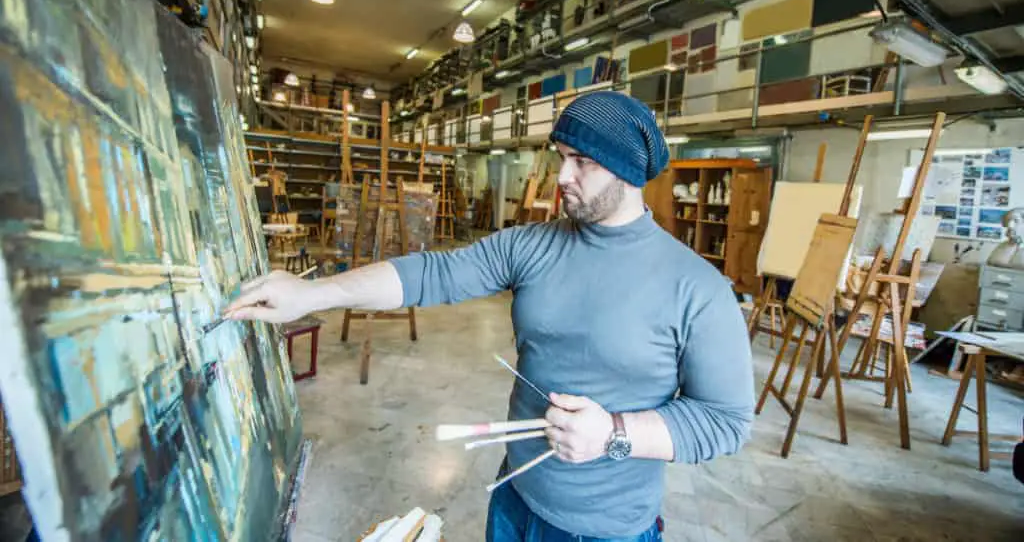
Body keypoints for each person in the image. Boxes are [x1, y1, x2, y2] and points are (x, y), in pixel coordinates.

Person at [226, 91, 755, 541]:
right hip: (513, 497)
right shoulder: (533, 245)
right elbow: (429, 275)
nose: (562, 176)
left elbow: (726, 422)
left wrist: (614, 432)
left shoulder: (697, 287)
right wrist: (311, 294)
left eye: (581, 162)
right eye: (561, 157)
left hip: (608, 527)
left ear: (626, 171)